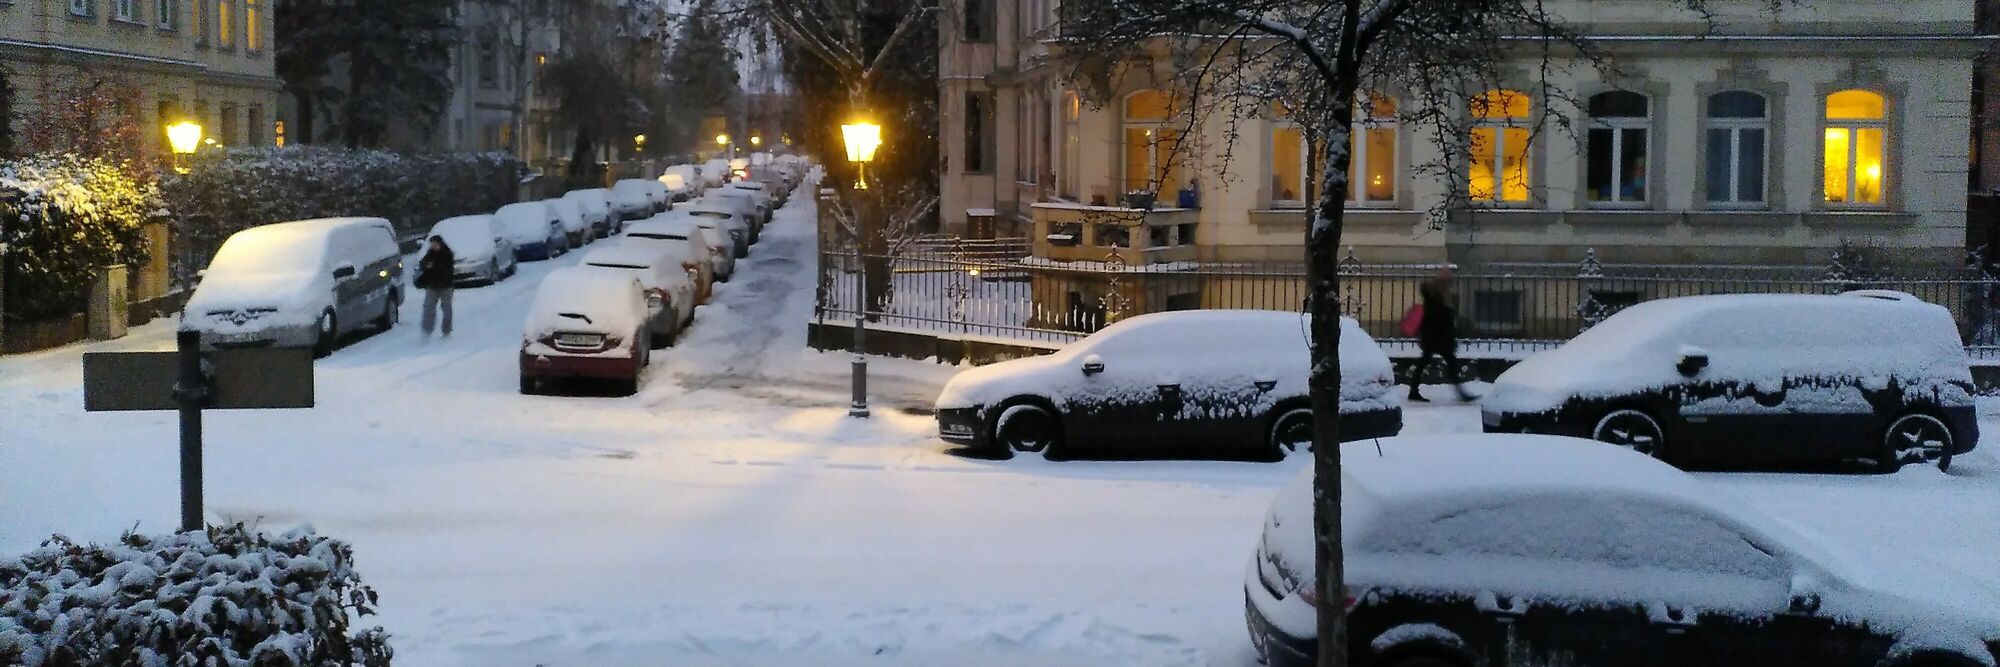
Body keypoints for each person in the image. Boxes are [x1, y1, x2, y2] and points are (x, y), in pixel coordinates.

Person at [1409, 267, 1474, 402]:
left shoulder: (1442, 294)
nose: (1451, 282)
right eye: (1449, 279)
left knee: (1440, 362)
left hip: (1438, 335)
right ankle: (1461, 393)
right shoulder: (1436, 294)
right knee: (1445, 362)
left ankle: (1414, 391)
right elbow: (1438, 316)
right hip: (1436, 335)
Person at [415, 236, 455, 338]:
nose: (433, 246)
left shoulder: (447, 254)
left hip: (446, 286)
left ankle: (446, 330)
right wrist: (426, 265)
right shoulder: (430, 254)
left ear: (440, 244)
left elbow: (447, 269)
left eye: (435, 244)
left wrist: (434, 265)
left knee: (446, 308)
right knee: (428, 308)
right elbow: (422, 264)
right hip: (432, 285)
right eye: (432, 244)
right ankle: (426, 331)